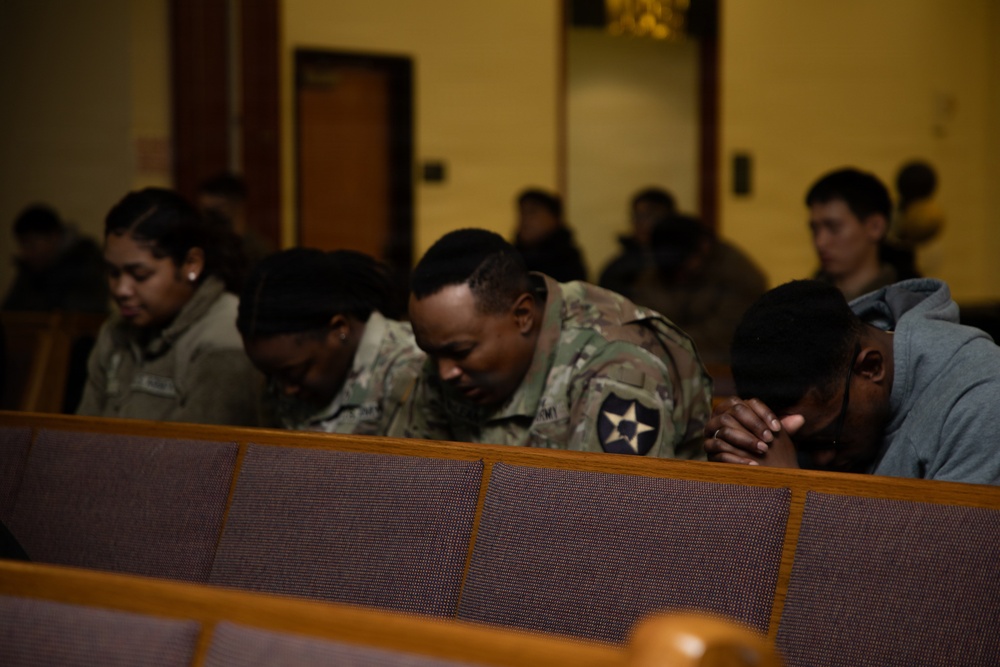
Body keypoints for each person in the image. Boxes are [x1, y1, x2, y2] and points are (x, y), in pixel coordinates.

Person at [393, 228, 712, 458]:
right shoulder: (449, 356)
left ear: (522, 315)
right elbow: (404, 482)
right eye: (432, 355)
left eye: (461, 352)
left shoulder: (616, 363)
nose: (445, 372)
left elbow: (608, 517)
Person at [704, 279, 1000, 485]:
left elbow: (949, 554)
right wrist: (738, 460)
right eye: (799, 445)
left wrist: (790, 487)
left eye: (828, 440)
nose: (821, 460)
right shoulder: (832, 372)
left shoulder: (983, 401)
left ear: (871, 368)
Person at [76, 187, 261, 425]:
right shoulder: (116, 331)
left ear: (191, 264)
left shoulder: (225, 336)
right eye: (113, 273)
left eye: (140, 274)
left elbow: (202, 445)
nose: (121, 289)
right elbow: (83, 430)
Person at [237, 247, 424, 434]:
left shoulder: (412, 368)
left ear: (339, 329)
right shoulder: (284, 374)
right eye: (270, 375)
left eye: (295, 372)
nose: (286, 390)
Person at [629, 214, 767, 365]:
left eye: (682, 264)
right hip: (666, 361)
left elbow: (724, 334)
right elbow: (643, 320)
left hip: (721, 365)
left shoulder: (738, 275)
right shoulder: (658, 270)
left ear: (703, 246)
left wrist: (667, 341)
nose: (678, 275)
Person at [807, 168, 897, 301]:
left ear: (875, 227)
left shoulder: (908, 304)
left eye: (834, 227)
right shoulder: (805, 302)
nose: (820, 242)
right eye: (815, 229)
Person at [2, 205, 108, 313]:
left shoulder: (84, 260)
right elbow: (9, 311)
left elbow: (85, 310)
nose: (26, 252)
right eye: (23, 245)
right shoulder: (29, 269)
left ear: (54, 236)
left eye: (32, 244)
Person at [599, 187, 677, 297]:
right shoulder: (620, 267)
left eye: (652, 216)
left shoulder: (684, 260)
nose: (645, 223)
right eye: (638, 217)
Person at [198, 172, 275, 268]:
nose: (210, 216)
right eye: (206, 210)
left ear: (237, 205)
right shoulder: (203, 247)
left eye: (217, 209)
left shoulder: (256, 249)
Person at [512, 188, 588, 282]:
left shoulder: (567, 260)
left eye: (532, 212)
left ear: (554, 218)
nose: (525, 219)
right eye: (522, 213)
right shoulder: (511, 257)